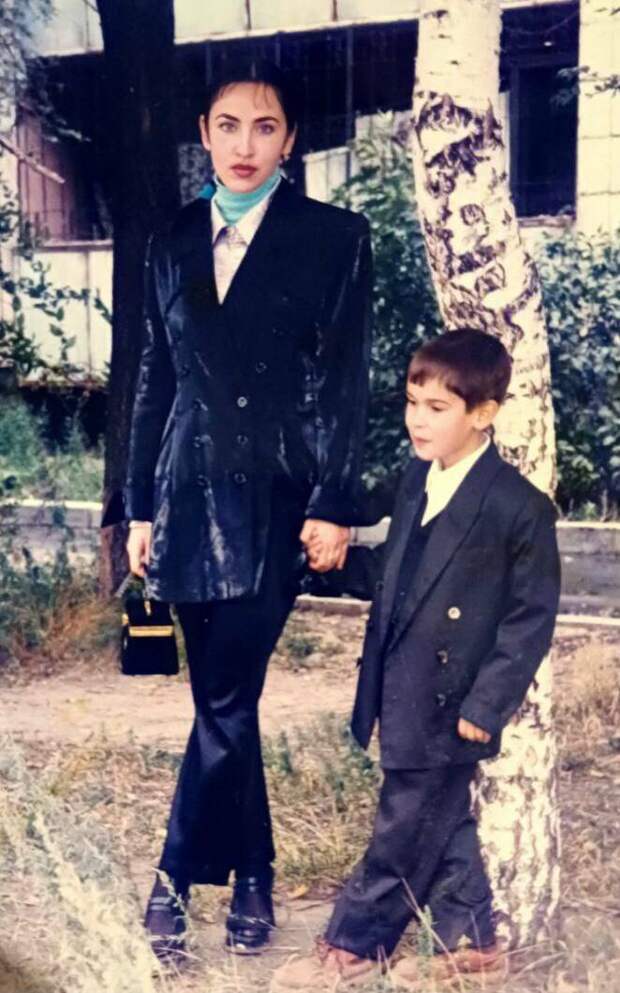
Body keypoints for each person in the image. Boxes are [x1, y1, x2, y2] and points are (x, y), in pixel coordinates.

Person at [124, 61, 373, 959]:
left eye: (265, 126)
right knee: (223, 704)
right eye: (227, 125)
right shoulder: (171, 240)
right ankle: (255, 874)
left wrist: (335, 500)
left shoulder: (333, 238)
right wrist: (138, 508)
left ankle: (172, 876)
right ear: (204, 132)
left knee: (227, 696)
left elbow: (346, 382)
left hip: (276, 499)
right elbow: (152, 379)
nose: (244, 144)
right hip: (184, 496)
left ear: (290, 139)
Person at [271, 328, 561, 991]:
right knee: (441, 816)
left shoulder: (517, 507)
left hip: (454, 698)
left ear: (483, 413)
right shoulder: (416, 480)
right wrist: (337, 559)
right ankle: (473, 944)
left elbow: (530, 619)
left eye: (437, 407)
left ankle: (355, 945)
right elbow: (400, 573)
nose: (417, 420)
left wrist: (487, 705)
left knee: (402, 822)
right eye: (412, 402)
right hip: (400, 681)